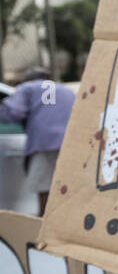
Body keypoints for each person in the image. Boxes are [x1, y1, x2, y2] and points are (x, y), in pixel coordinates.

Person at [0, 65, 75, 215]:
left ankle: (43, 230)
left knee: (45, 191)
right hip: (71, 146)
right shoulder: (67, 91)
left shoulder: (27, 88)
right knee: (67, 191)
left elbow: (14, 112)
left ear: (28, 79)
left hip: (45, 144)